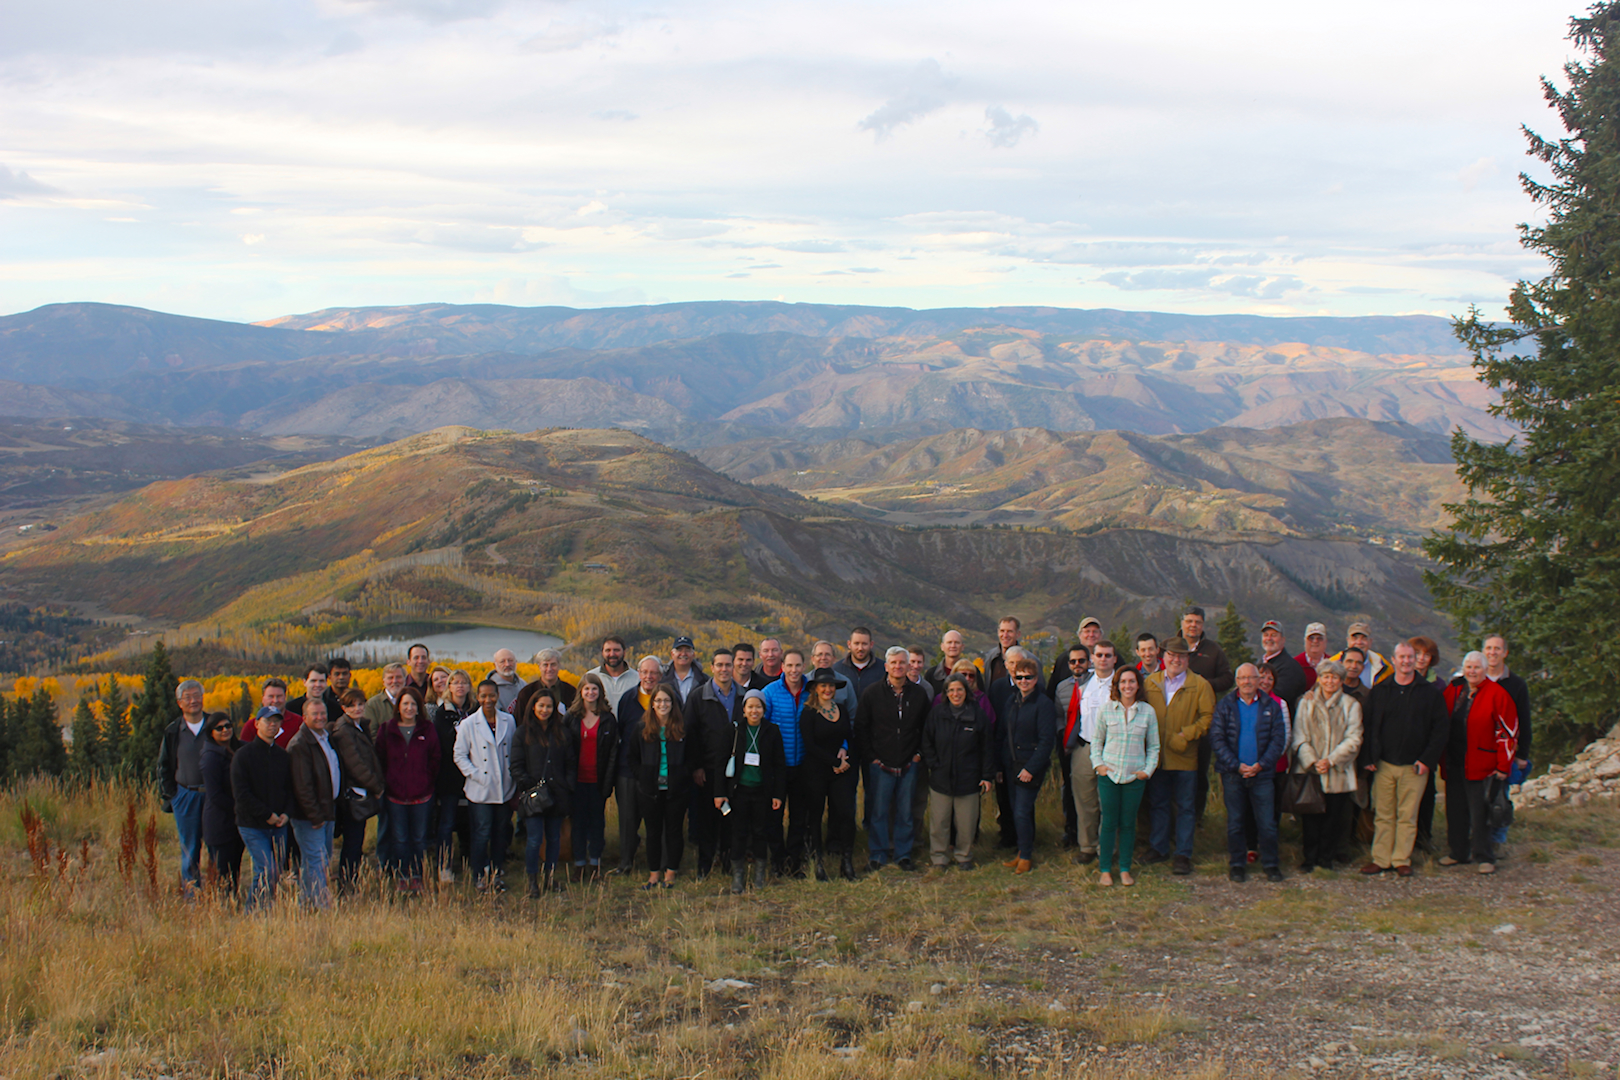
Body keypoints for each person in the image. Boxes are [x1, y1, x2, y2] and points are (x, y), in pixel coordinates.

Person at [1360, 644, 1447, 876]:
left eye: (1410, 657)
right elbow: (1367, 725)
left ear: (1415, 660)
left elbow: (1440, 730)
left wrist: (1427, 760)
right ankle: (1381, 859)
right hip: (1384, 764)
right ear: (1393, 660)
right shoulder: (1380, 690)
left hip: (1414, 766)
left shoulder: (1429, 693)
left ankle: (1401, 859)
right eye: (1402, 657)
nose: (1406, 661)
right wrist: (1369, 756)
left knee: (1407, 815)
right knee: (1383, 814)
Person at [1440, 652, 1519, 874]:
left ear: (1485, 670)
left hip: (1482, 764)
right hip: (1454, 761)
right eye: (1468, 667)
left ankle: (1484, 856)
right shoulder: (1454, 690)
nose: (1472, 671)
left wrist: (1503, 765)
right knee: (1455, 809)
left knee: (1480, 812)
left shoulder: (1497, 694)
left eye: (1476, 667)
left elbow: (1508, 732)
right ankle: (1458, 852)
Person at [857, 646, 934, 871]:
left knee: (905, 811)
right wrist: (871, 757)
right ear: (886, 666)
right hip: (880, 763)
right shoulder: (872, 693)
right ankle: (878, 854)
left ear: (908, 665)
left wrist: (919, 754)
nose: (898, 666)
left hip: (910, 762)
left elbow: (927, 727)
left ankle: (903, 854)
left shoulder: (919, 694)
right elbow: (861, 727)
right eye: (894, 663)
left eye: (902, 662)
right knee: (879, 812)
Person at [1142, 637, 1215, 876]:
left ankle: (1183, 854)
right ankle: (1159, 848)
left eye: (1181, 656)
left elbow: (1207, 717)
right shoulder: (1150, 682)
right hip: (1157, 757)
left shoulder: (1200, 685)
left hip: (1185, 757)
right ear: (1163, 657)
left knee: (1185, 808)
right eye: (1172, 655)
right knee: (1159, 804)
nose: (1176, 660)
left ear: (1188, 659)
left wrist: (1186, 735)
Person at [1210, 664, 1287, 882]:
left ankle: (1271, 864)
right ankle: (1237, 864)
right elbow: (1217, 738)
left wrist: (1262, 764)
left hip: (1262, 774)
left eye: (1251, 678)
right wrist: (1236, 765)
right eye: (1242, 678)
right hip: (1233, 774)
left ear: (1258, 680)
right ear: (1236, 681)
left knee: (1267, 823)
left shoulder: (1271, 705)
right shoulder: (1225, 705)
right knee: (1236, 822)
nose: (1247, 682)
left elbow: (1278, 739)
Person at [1291, 659, 1364, 873]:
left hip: (1338, 771)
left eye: (1334, 677)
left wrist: (1331, 760)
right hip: (1311, 770)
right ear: (1319, 679)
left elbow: (1354, 738)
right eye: (1325, 676)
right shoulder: (1306, 703)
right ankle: (1309, 858)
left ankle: (1326, 859)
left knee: (1333, 818)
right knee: (1310, 818)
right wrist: (1313, 760)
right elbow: (1299, 735)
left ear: (1341, 681)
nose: (1329, 681)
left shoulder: (1351, 705)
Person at [1091, 666, 1159, 887]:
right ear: (1117, 685)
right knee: (1109, 822)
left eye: (1131, 681)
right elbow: (1097, 741)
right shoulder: (1107, 710)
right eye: (1123, 682)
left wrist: (1147, 771)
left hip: (1134, 776)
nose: (1127, 686)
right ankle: (1105, 869)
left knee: (1128, 823)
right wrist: (1099, 766)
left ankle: (1124, 868)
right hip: (1109, 775)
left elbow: (1154, 746)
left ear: (1138, 685)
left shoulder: (1147, 712)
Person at [716, 688, 788, 893]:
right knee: (738, 833)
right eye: (750, 707)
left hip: (762, 792)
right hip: (738, 791)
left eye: (758, 707)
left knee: (760, 832)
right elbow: (720, 762)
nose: (754, 711)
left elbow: (779, 765)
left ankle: (759, 875)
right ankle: (738, 876)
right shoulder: (733, 730)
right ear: (744, 709)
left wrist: (778, 794)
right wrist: (719, 793)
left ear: (764, 709)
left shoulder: (772, 731)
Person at [921, 673, 996, 870]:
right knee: (939, 822)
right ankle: (939, 857)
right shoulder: (937, 714)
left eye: (960, 690)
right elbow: (926, 741)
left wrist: (987, 776)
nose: (956, 694)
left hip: (969, 778)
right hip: (941, 777)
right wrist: (933, 764)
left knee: (966, 823)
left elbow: (987, 747)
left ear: (966, 691)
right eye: (951, 690)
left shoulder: (977, 715)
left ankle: (964, 856)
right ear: (946, 693)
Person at [512, 686, 576, 896]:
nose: (545, 710)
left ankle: (550, 877)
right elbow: (516, 765)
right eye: (541, 706)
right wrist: (527, 784)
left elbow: (570, 763)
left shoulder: (562, 732)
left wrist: (567, 785)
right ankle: (532, 880)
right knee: (534, 839)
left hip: (557, 794)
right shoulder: (523, 732)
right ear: (533, 707)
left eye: (549, 706)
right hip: (534, 796)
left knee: (554, 838)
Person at [1060, 639, 1120, 865]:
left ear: (1114, 659)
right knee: (1085, 801)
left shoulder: (1121, 684)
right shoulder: (1083, 685)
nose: (1103, 659)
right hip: (1084, 748)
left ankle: (1108, 848)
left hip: (1111, 751)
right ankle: (1087, 846)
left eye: (1108, 655)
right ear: (1092, 658)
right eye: (1099, 655)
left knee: (1109, 803)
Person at [625, 685, 690, 889]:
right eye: (659, 701)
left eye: (667, 700)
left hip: (676, 790)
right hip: (649, 790)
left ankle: (671, 872)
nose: (663, 704)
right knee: (652, 832)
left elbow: (692, 756)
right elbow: (632, 757)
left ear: (673, 703)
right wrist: (643, 776)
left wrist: (682, 776)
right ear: (652, 704)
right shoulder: (642, 728)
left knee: (674, 831)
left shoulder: (682, 728)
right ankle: (653, 874)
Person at [376, 686, 440, 890]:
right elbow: (380, 759)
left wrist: (426, 780)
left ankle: (417, 875)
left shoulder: (427, 729)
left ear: (419, 707)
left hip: (422, 795)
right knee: (400, 839)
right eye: (405, 704)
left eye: (413, 704)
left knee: (419, 839)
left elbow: (435, 758)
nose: (409, 708)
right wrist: (388, 782)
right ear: (398, 706)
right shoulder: (387, 729)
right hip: (395, 796)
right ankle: (402, 875)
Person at [687, 648, 743, 879]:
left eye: (728, 665)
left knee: (732, 819)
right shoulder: (698, 696)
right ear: (712, 667)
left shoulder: (743, 696)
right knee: (707, 820)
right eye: (719, 665)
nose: (724, 669)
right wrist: (696, 767)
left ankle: (728, 861)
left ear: (734, 667)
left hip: (737, 770)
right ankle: (705, 865)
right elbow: (691, 734)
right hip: (708, 769)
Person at [456, 679, 516, 892]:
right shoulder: (468, 724)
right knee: (481, 833)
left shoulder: (508, 720)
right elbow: (459, 755)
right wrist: (476, 775)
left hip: (504, 788)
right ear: (477, 697)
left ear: (497, 696)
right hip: (480, 789)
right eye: (483, 696)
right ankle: (479, 874)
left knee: (500, 832)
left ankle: (497, 872)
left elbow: (512, 751)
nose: (488, 700)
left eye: (492, 695)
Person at [997, 658, 1056, 874]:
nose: (1023, 681)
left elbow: (1046, 741)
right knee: (1017, 811)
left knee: (1022, 811)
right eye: (1019, 677)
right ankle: (1022, 851)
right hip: (1011, 764)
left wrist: (1031, 769)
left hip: (1030, 766)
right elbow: (1003, 734)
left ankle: (1026, 856)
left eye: (1028, 677)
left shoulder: (1043, 704)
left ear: (1036, 678)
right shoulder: (1011, 701)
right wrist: (1000, 765)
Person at [800, 668, 858, 881]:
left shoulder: (840, 709)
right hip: (816, 771)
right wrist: (834, 762)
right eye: (823, 685)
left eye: (831, 685)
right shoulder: (808, 712)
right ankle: (818, 863)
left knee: (846, 814)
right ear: (815, 688)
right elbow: (810, 745)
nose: (827, 689)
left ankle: (846, 862)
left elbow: (848, 735)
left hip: (840, 771)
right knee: (815, 816)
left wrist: (843, 750)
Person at [231, 706, 291, 911]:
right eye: (267, 721)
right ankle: (253, 912)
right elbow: (241, 793)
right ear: (257, 724)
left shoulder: (282, 756)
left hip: (279, 825)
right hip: (252, 824)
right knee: (267, 869)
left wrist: (286, 813)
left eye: (276, 721)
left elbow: (290, 789)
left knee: (275, 872)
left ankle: (265, 910)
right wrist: (266, 815)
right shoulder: (243, 755)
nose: (272, 725)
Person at [610, 656, 666, 875]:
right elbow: (621, 731)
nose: (649, 677)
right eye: (645, 672)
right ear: (639, 674)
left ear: (660, 676)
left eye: (653, 673)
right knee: (628, 819)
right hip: (629, 770)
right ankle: (626, 862)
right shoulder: (628, 698)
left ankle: (661, 862)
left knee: (659, 820)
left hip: (659, 770)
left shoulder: (667, 699)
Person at [1180, 606, 1234, 827]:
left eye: (1198, 622)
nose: (1193, 625)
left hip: (1203, 720)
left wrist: (1203, 685)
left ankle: (1197, 819)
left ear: (1203, 625)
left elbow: (1228, 679)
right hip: (1174, 719)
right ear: (1182, 623)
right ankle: (1174, 818)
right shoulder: (1172, 647)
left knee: (1199, 771)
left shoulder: (1213, 650)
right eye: (1189, 621)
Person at [762, 649, 812, 874]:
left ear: (804, 666)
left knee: (799, 817)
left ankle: (794, 860)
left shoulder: (811, 692)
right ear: (782, 667)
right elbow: (762, 727)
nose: (794, 670)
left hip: (803, 764)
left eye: (798, 665)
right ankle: (777, 860)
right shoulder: (770, 692)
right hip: (777, 767)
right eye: (789, 665)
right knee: (774, 817)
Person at [157, 678, 209, 894]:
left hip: (214, 796)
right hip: (186, 796)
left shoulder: (216, 725)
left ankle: (220, 891)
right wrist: (173, 796)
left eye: (196, 695)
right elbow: (163, 766)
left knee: (217, 844)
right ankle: (192, 894)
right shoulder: (173, 731)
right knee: (190, 848)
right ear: (180, 703)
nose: (193, 701)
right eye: (187, 697)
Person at [286, 699, 340, 908]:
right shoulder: (300, 744)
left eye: (322, 713)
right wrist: (315, 816)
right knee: (317, 859)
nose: (320, 717)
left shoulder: (325, 737)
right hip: (309, 816)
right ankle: (321, 904)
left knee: (318, 859)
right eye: (315, 714)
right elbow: (302, 786)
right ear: (304, 717)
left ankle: (307, 902)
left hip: (327, 809)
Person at [1482, 634, 1533, 848]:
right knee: (1477, 797)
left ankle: (1497, 841)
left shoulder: (1516, 684)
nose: (1492, 652)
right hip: (1478, 750)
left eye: (1497, 648)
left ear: (1505, 652)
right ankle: (1477, 838)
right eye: (1489, 648)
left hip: (1505, 751)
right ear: (1483, 652)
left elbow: (1524, 720)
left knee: (1500, 797)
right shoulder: (1474, 678)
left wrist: (1522, 755)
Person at [330, 687, 383, 889]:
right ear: (344, 708)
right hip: (353, 794)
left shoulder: (359, 726)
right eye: (351, 705)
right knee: (352, 842)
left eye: (360, 704)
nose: (357, 708)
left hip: (360, 791)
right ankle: (347, 884)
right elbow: (356, 765)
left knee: (356, 841)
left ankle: (351, 880)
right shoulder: (344, 731)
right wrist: (376, 786)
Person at [570, 673, 620, 881]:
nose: (590, 693)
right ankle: (579, 864)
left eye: (594, 689)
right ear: (581, 692)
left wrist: (608, 783)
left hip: (598, 781)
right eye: (587, 689)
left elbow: (613, 754)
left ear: (600, 692)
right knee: (578, 824)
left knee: (597, 824)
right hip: (576, 781)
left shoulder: (608, 719)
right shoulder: (571, 718)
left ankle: (595, 863)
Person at [429, 670, 475, 882]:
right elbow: (445, 743)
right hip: (449, 776)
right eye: (455, 682)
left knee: (471, 822)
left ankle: (471, 862)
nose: (460, 686)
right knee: (446, 823)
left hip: (472, 775)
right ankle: (444, 865)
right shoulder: (442, 713)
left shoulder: (475, 710)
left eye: (464, 682)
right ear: (449, 687)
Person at [198, 711, 243, 896]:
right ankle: (222, 905)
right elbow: (215, 795)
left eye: (228, 726)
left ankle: (232, 902)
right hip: (219, 823)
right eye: (219, 728)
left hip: (236, 821)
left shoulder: (237, 749)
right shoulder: (210, 758)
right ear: (211, 732)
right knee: (222, 872)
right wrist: (240, 808)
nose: (225, 730)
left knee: (235, 870)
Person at [511, 647, 578, 723]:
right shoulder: (527, 693)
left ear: (559, 665)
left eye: (553, 664)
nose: (549, 669)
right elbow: (519, 721)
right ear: (539, 667)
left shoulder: (571, 692)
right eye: (545, 665)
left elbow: (576, 720)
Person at [1259, 621, 1308, 716]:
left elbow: (1278, 697)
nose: (1269, 638)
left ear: (1283, 640)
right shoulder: (1262, 663)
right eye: (1266, 635)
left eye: (1274, 635)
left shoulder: (1290, 667)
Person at [285, 663, 342, 731]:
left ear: (326, 683)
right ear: (304, 682)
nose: (318, 685)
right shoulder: (291, 708)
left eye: (321, 681)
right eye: (313, 681)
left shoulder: (335, 708)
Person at [1332, 622, 1390, 688]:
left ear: (1370, 641)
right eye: (1355, 638)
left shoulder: (1383, 666)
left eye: (1364, 638)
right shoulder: (1332, 663)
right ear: (1348, 640)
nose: (1359, 642)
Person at [834, 626, 884, 700]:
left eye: (864, 644)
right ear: (849, 644)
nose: (860, 648)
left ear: (871, 644)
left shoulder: (883, 669)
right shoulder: (837, 670)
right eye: (856, 643)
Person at [588, 636, 639, 708]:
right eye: (608, 650)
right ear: (602, 653)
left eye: (616, 650)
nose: (612, 654)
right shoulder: (591, 677)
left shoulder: (637, 678)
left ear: (624, 652)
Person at [363, 664, 407, 732]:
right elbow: (372, 733)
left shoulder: (415, 700)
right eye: (390, 678)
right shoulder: (372, 705)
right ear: (383, 681)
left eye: (398, 677)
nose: (394, 681)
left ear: (405, 679)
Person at [980, 616, 1022, 688]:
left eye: (1010, 631)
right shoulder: (990, 657)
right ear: (998, 632)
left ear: (1018, 634)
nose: (1005, 635)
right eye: (1002, 631)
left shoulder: (1028, 659)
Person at [924, 630, 967, 695]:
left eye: (957, 642)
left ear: (963, 647)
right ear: (942, 646)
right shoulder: (931, 675)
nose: (953, 646)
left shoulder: (972, 673)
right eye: (949, 642)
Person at [1295, 623, 1329, 692]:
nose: (1315, 641)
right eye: (1311, 638)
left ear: (1325, 641)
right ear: (1305, 641)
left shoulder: (1333, 663)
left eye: (1319, 638)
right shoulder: (1295, 664)